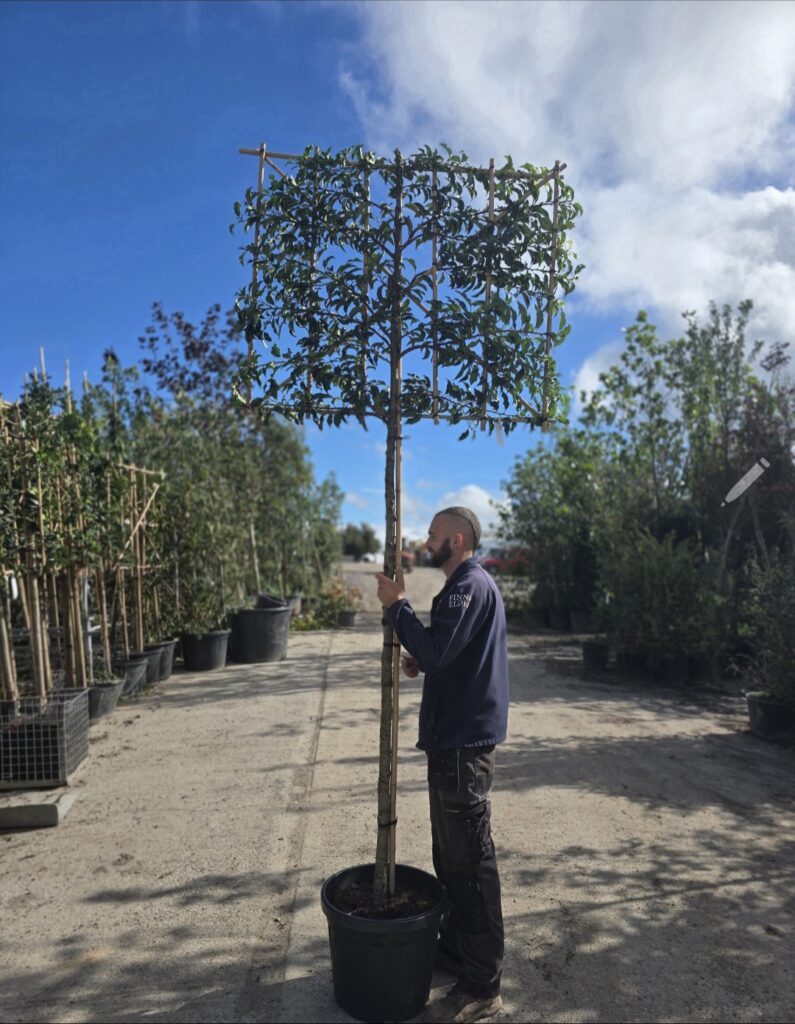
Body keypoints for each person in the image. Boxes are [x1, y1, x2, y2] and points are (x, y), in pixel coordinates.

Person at [375, 506, 508, 1024]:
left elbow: (438, 651)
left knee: (470, 866)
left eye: (432, 535)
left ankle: (482, 985)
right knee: (450, 859)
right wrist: (422, 657)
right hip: (453, 746)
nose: (426, 541)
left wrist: (398, 608)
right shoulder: (471, 586)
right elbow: (446, 655)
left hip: (461, 751)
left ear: (456, 538)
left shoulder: (466, 586)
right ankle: (455, 953)